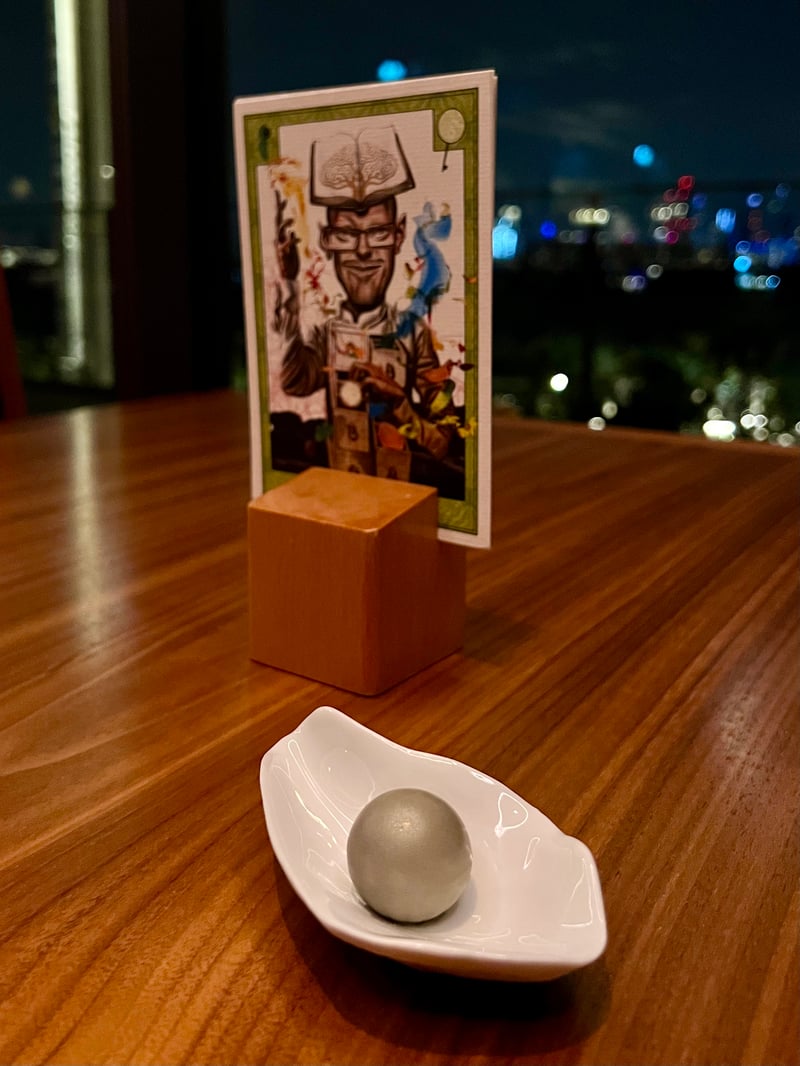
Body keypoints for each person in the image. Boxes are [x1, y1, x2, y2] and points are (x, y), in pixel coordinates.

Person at [272, 127, 463, 494]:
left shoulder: (414, 335)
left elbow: (444, 442)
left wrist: (399, 402)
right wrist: (291, 283)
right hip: (337, 495)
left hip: (399, 501)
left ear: (399, 235)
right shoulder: (325, 333)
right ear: (327, 242)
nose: (362, 251)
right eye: (346, 235)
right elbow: (294, 382)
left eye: (377, 233)